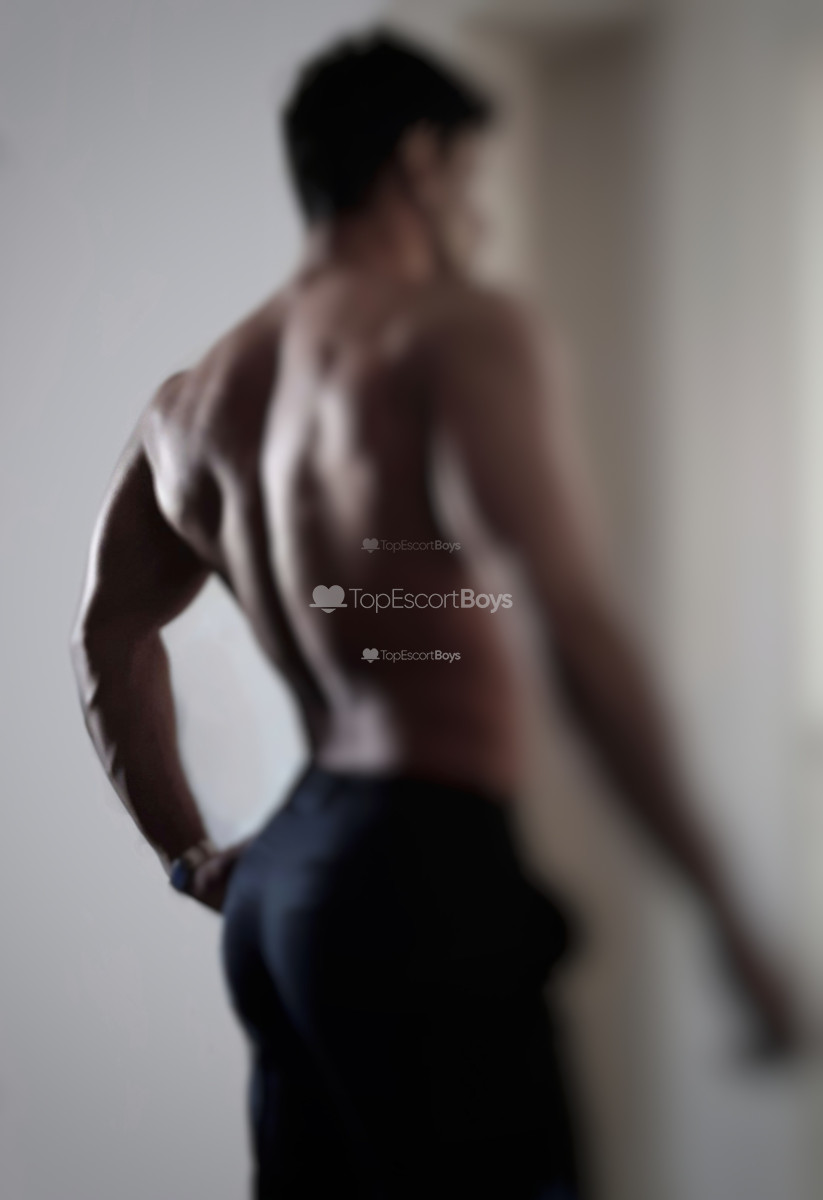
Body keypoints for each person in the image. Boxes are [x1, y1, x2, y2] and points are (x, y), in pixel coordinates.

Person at [69, 27, 801, 1200]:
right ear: (417, 160)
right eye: (470, 180)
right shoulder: (452, 332)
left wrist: (187, 857)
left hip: (286, 888)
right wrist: (724, 913)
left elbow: (104, 635)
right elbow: (569, 620)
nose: (480, 218)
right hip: (419, 882)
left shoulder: (189, 403)